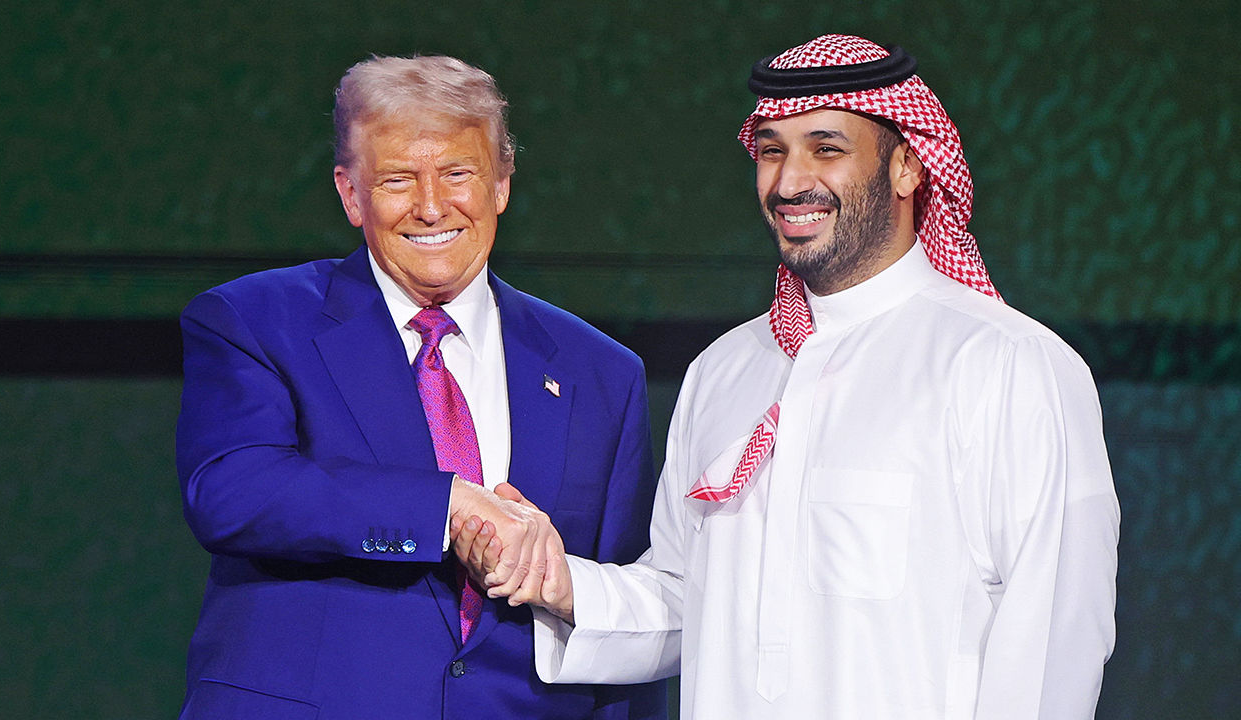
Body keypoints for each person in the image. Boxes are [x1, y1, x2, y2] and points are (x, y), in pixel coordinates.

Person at [454, 35, 1119, 719]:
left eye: (826, 149)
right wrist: (556, 581)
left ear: (909, 167)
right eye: (772, 151)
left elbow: (1051, 648)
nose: (790, 181)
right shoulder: (724, 371)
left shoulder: (1008, 365)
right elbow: (690, 603)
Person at [175, 54, 665, 719]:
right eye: (398, 179)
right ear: (351, 194)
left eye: (458, 174)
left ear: (501, 183)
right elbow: (233, 490)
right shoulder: (256, 320)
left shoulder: (600, 371)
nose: (432, 207)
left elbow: (626, 613)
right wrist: (449, 507)